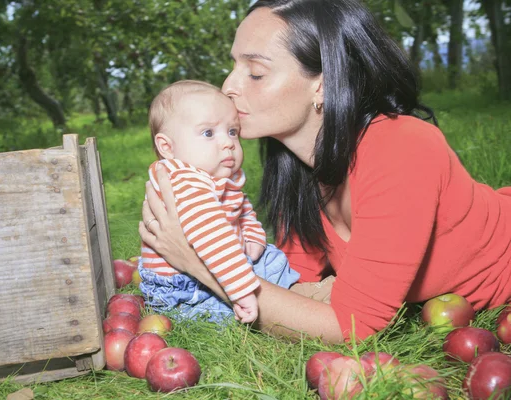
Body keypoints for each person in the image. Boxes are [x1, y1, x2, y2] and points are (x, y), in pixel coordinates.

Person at [139, 0, 511, 344]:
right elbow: (294, 284)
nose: (228, 87)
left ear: (323, 84)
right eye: (233, 66)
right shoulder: (294, 165)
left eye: (254, 72)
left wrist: (198, 264)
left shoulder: (402, 148)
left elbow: (352, 327)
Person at [139, 80, 300, 324]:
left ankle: (295, 294)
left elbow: (241, 208)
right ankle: (291, 300)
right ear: (167, 147)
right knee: (258, 285)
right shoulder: (185, 181)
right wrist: (241, 290)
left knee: (270, 256)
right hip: (184, 288)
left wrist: (253, 235)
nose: (228, 143)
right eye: (208, 133)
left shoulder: (215, 176)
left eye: (232, 132)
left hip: (215, 263)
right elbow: (212, 235)